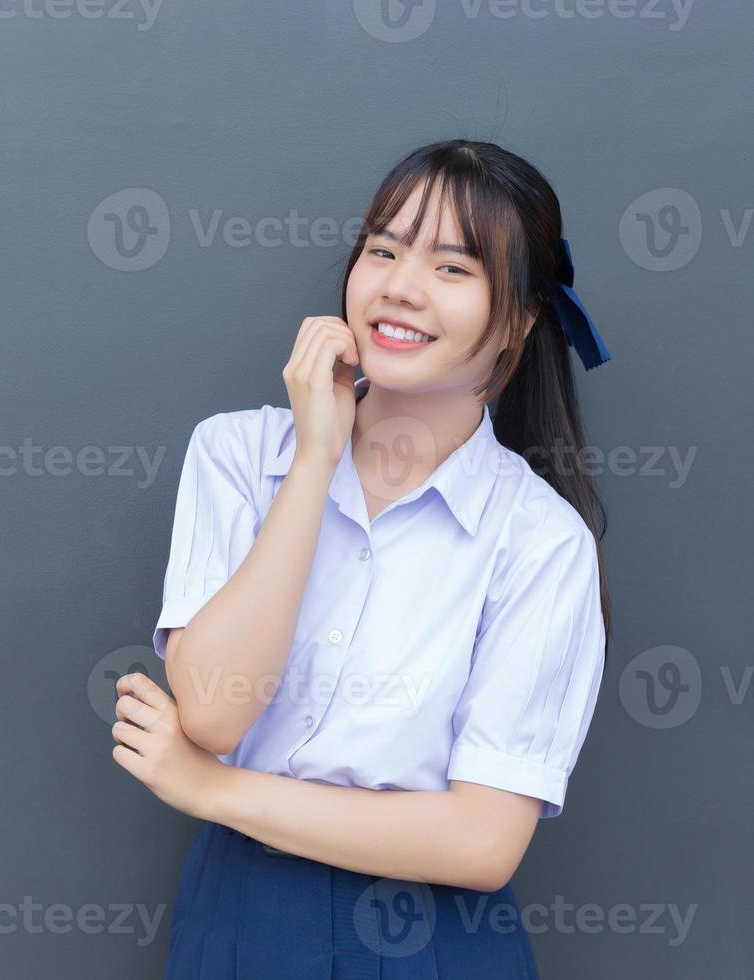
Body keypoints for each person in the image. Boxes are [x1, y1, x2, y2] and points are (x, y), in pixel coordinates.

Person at [111, 139, 614, 978]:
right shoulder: (239, 456)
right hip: (242, 912)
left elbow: (484, 841)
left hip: (434, 934)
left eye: (453, 268)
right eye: (382, 249)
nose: (399, 287)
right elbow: (212, 713)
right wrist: (314, 457)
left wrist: (209, 790)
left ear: (520, 319)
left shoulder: (540, 541)